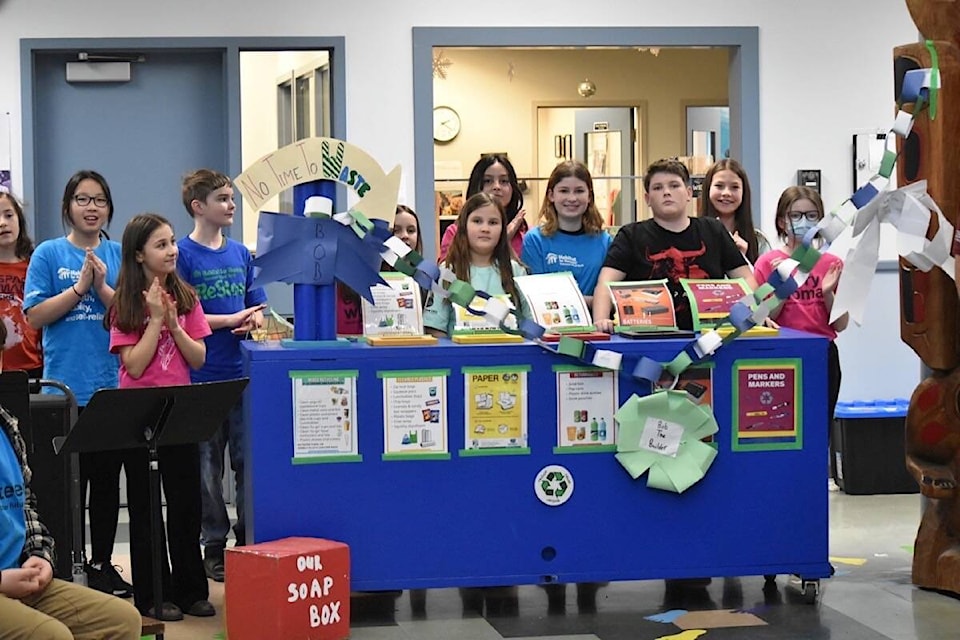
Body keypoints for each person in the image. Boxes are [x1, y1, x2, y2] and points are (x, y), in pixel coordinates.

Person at [23, 170, 132, 598]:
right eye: (83, 199)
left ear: (109, 207)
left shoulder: (120, 252)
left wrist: (101, 286)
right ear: (67, 206)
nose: (92, 208)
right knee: (67, 487)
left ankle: (103, 565)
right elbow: (34, 316)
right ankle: (65, 567)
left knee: (106, 486)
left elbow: (130, 314)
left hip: (111, 389)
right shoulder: (49, 254)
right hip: (61, 393)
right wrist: (79, 289)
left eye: (100, 200)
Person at [0, 320, 142, 639]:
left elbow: (25, 508)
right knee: (51, 636)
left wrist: (40, 557)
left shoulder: (6, 424)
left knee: (122, 620)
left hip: (21, 577)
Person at [109, 213, 213, 621]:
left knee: (186, 504)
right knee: (146, 506)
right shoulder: (125, 303)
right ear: (139, 255)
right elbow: (133, 366)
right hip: (139, 415)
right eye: (161, 245)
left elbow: (199, 358)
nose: (171, 251)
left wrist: (174, 324)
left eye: (172, 242)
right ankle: (154, 593)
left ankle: (191, 589)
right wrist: (154, 321)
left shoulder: (185, 297)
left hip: (180, 412)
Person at [176, 169, 266, 583]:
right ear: (199, 206)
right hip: (201, 379)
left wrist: (254, 319)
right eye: (223, 198)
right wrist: (228, 319)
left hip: (242, 376)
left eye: (231, 198)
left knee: (247, 462)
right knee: (206, 468)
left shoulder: (242, 255)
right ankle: (214, 542)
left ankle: (248, 537)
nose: (231, 205)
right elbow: (181, 316)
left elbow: (257, 305)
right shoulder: (182, 256)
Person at [593, 158, 756, 332]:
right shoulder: (630, 235)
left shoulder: (713, 230)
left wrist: (754, 314)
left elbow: (746, 280)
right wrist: (601, 321)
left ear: (688, 193)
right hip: (648, 338)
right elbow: (605, 283)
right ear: (647, 198)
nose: (666, 192)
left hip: (709, 338)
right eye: (657, 187)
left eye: (674, 185)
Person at [754, 186, 847, 488]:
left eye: (811, 215)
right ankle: (780, 486)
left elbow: (841, 324)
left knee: (818, 430)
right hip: (782, 356)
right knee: (779, 428)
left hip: (822, 355)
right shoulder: (768, 264)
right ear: (782, 222)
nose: (803, 221)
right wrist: (783, 283)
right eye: (796, 215)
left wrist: (828, 293)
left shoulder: (831, 263)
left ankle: (812, 486)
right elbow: (764, 319)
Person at [425, 192, 527, 337]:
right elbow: (435, 329)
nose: (485, 228)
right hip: (460, 357)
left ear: (502, 229)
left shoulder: (516, 271)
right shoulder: (447, 272)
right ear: (464, 226)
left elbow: (531, 327)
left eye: (493, 222)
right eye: (477, 221)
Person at [521, 160, 612, 306]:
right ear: (551, 195)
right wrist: (594, 301)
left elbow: (612, 297)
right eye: (564, 191)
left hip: (595, 325)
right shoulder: (535, 241)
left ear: (589, 196)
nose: (572, 198)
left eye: (579, 191)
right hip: (550, 326)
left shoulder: (604, 241)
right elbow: (537, 298)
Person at [337, 204, 424, 335]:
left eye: (411, 230)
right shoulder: (352, 278)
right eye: (395, 230)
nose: (405, 235)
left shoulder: (421, 281)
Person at [439, 154, 527, 260]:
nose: (496, 187)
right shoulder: (454, 233)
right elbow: (446, 273)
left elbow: (527, 274)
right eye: (488, 181)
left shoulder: (526, 234)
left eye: (504, 181)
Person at [0, 189, 42, 377]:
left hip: (32, 365)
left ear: (19, 219)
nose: (2, 223)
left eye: (8, 215)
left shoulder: (36, 266)